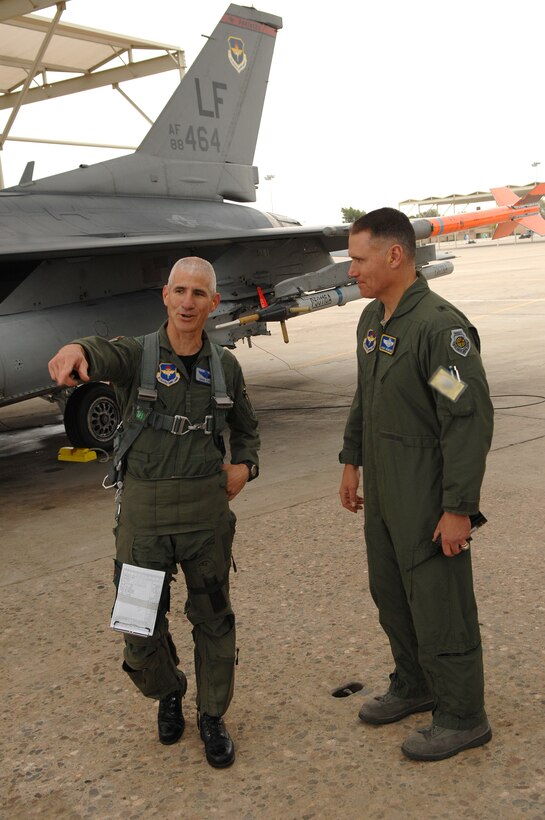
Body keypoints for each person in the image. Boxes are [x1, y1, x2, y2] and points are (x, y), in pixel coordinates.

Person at [48, 257, 260, 769]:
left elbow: (247, 429)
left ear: (213, 302)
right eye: (180, 291)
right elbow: (100, 353)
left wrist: (245, 467)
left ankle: (211, 715)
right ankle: (170, 689)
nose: (189, 302)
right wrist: (76, 349)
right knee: (139, 631)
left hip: (205, 517)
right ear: (165, 295)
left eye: (199, 294)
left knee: (213, 620)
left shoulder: (225, 365)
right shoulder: (137, 356)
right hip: (144, 519)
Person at [339, 208, 494, 761]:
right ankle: (414, 684)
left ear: (394, 255)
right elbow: (366, 394)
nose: (351, 270)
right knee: (392, 593)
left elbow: (465, 417)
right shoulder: (373, 323)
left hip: (426, 490)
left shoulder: (434, 330)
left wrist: (458, 507)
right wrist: (351, 459)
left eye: (359, 259)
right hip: (383, 487)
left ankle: (461, 714)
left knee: (438, 599)